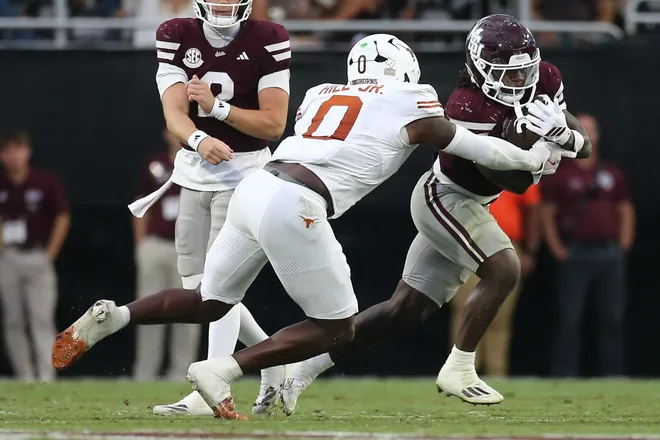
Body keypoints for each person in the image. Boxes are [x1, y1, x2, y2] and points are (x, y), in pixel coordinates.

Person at [53, 32, 558, 419]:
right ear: (407, 70)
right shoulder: (412, 98)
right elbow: (476, 148)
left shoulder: (321, 93)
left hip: (257, 185)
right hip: (297, 202)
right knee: (336, 327)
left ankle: (114, 316)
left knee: (211, 300)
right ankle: (225, 369)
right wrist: (533, 156)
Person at [279, 14, 593, 412]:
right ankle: (460, 367)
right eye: (506, 74)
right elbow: (512, 180)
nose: (520, 82)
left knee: (403, 311)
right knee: (504, 268)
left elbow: (582, 147)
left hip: (476, 203)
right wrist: (541, 156)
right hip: (444, 196)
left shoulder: (545, 77)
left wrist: (566, 136)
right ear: (480, 69)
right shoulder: (465, 104)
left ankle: (301, 369)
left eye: (524, 71)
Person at [126, 0, 292, 415]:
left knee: (219, 286)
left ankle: (210, 390)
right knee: (198, 289)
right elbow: (174, 113)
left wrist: (219, 110)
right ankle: (276, 361)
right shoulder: (175, 33)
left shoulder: (270, 37)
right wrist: (200, 140)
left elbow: (274, 124)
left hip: (245, 173)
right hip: (193, 172)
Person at [542, 113, 634, 377]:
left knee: (612, 318)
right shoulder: (561, 174)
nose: (586, 134)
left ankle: (613, 375)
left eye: (590, 130)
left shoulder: (610, 173)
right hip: (576, 252)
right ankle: (564, 374)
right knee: (570, 317)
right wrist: (557, 248)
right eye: (580, 129)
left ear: (598, 136)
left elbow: (625, 208)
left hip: (608, 253)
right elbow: (546, 212)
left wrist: (624, 243)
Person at [0, 130, 70, 382]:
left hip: (38, 256)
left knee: (41, 318)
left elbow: (62, 215)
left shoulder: (44, 181)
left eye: (18, 149)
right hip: (9, 257)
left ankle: (45, 375)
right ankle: (25, 375)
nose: (14, 156)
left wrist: (50, 252)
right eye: (8, 151)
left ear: (27, 152)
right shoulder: (3, 184)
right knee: (14, 320)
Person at [449, 186, 542, 378]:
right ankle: (461, 373)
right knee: (465, 310)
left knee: (500, 314)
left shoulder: (520, 167)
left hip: (506, 244)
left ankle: (496, 373)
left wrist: (530, 251)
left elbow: (533, 209)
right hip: (469, 243)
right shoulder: (464, 164)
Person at [133, 129, 202, 381]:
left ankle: (181, 373)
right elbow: (141, 203)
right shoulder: (155, 164)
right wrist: (141, 243)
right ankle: (145, 372)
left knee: (187, 311)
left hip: (188, 248)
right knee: (148, 309)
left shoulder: (200, 163)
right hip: (156, 244)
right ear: (166, 132)